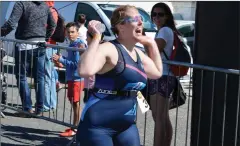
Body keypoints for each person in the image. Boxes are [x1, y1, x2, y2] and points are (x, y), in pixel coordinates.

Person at [77, 5, 163, 146]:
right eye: (136, 18)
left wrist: (151, 43)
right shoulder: (109, 49)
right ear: (121, 26)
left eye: (141, 18)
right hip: (98, 127)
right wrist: (97, 38)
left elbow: (157, 73)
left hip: (126, 126)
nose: (141, 22)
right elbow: (85, 70)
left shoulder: (138, 53)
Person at [1, 1, 56, 116]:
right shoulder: (45, 5)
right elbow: (53, 25)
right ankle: (39, 109)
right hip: (41, 44)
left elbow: (11, 24)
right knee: (39, 78)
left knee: (22, 77)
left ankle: (27, 109)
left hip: (24, 45)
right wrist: (44, 38)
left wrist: (1, 32)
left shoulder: (22, 3)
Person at [148, 2, 178, 146]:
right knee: (162, 117)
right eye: (154, 14)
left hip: (162, 76)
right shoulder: (166, 30)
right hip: (164, 75)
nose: (156, 17)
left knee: (158, 117)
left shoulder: (165, 31)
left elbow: (153, 51)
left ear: (167, 16)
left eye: (160, 14)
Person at [52, 22, 86, 137]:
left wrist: (61, 60)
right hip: (72, 77)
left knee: (76, 103)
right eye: (68, 32)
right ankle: (75, 126)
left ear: (77, 32)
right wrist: (62, 61)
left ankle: (76, 128)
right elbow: (69, 61)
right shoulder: (73, 44)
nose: (70, 34)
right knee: (73, 102)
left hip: (77, 78)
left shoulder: (78, 45)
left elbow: (76, 64)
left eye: (72, 32)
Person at [43, 1, 58, 112]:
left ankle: (46, 104)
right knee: (51, 76)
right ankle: (51, 103)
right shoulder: (54, 11)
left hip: (48, 46)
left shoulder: (48, 11)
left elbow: (49, 28)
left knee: (46, 77)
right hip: (52, 46)